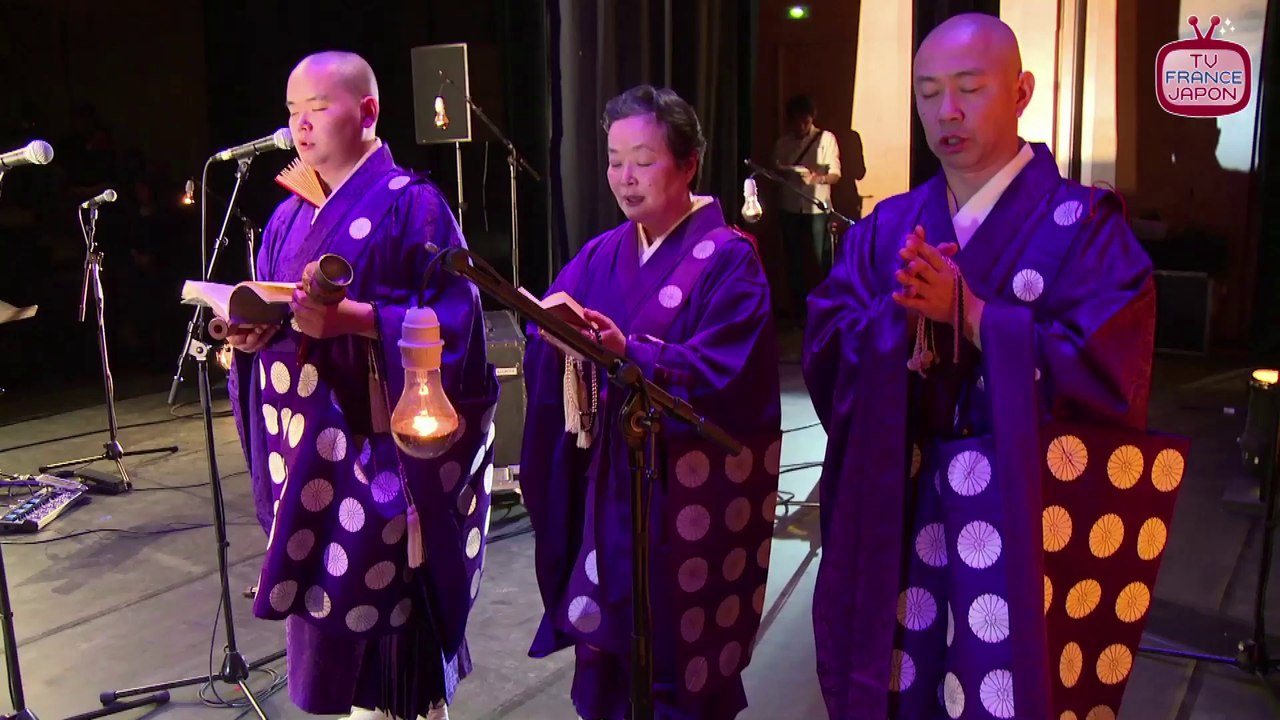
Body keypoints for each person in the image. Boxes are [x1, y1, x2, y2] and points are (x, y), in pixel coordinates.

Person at [804, 14, 1185, 720]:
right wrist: (899, 323)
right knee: (897, 684)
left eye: (970, 89)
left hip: (1024, 515)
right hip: (900, 502)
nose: (946, 111)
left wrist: (975, 316)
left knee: (1007, 685)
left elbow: (1109, 374)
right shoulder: (889, 225)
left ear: (1021, 91)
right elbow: (827, 343)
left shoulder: (1086, 225)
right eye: (927, 93)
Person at [224, 51, 499, 720]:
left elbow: (458, 322)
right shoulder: (289, 214)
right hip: (304, 450)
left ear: (367, 111)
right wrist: (252, 336)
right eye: (293, 113)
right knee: (322, 619)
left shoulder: (415, 204)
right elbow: (276, 303)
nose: (301, 127)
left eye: (317, 108)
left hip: (376, 456)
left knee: (386, 621)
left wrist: (361, 318)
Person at [520, 85, 783, 720]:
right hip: (605, 487)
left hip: (679, 496)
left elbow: (729, 375)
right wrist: (557, 336)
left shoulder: (729, 261)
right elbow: (544, 328)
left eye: (643, 159)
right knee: (610, 649)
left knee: (674, 648)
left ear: (689, 163)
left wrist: (630, 353)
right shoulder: (603, 252)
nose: (624, 178)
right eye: (614, 160)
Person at [774, 95, 841, 322]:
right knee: (794, 261)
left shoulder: (826, 139)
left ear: (812, 118)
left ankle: (828, 312)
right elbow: (775, 170)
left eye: (805, 120)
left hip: (817, 208)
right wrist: (785, 171)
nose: (801, 126)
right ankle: (798, 314)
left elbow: (836, 174)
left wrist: (817, 178)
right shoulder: (783, 143)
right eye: (796, 121)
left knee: (823, 261)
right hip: (790, 206)